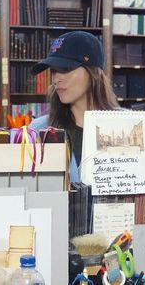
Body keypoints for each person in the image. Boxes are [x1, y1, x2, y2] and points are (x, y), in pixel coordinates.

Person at [30, 30, 120, 182]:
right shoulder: (39, 129)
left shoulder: (126, 124)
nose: (56, 79)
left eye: (66, 69)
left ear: (95, 72)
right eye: (53, 71)